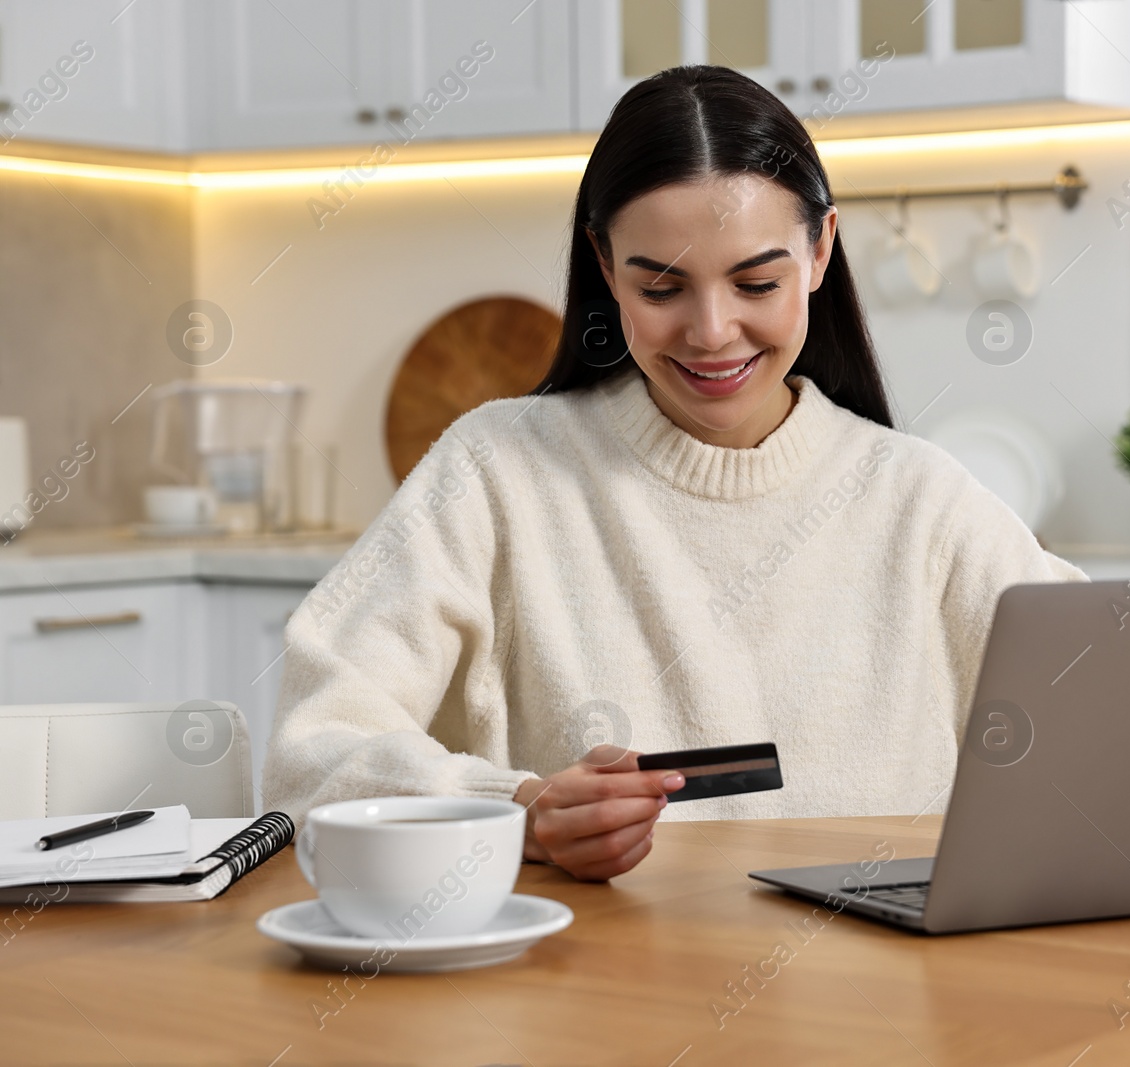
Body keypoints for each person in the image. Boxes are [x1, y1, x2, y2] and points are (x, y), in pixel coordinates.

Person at [264, 65, 1087, 882]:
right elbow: (312, 752)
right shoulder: (496, 471)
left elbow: (1116, 726)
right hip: (596, 991)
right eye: (661, 287)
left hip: (875, 999)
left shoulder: (924, 501)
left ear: (822, 248)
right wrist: (516, 809)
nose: (712, 331)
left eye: (757, 282)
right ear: (604, 261)